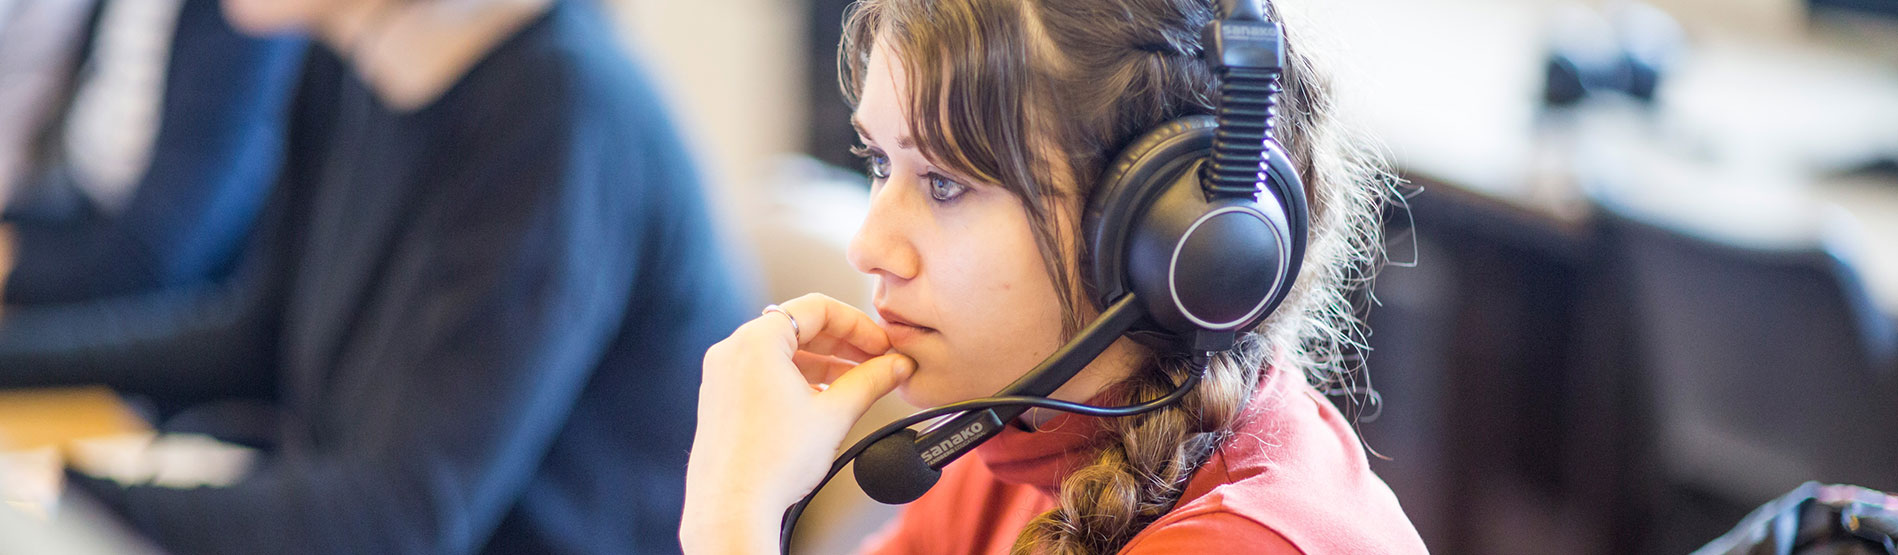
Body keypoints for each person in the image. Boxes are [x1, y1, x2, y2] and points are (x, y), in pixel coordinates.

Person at [0, 0, 750, 552]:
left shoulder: (562, 108)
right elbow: (257, 336)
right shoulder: (348, 63)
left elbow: (400, 517)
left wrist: (55, 496)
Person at [681, 0, 1427, 553]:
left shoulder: (1249, 542)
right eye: (880, 163)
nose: (869, 245)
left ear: (1165, 238)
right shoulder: (1021, 438)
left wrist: (731, 517)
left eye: (944, 183)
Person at [2, 0, 303, 305]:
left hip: (156, 301)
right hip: (84, 230)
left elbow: (153, 260)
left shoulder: (249, 13)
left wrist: (12, 266)